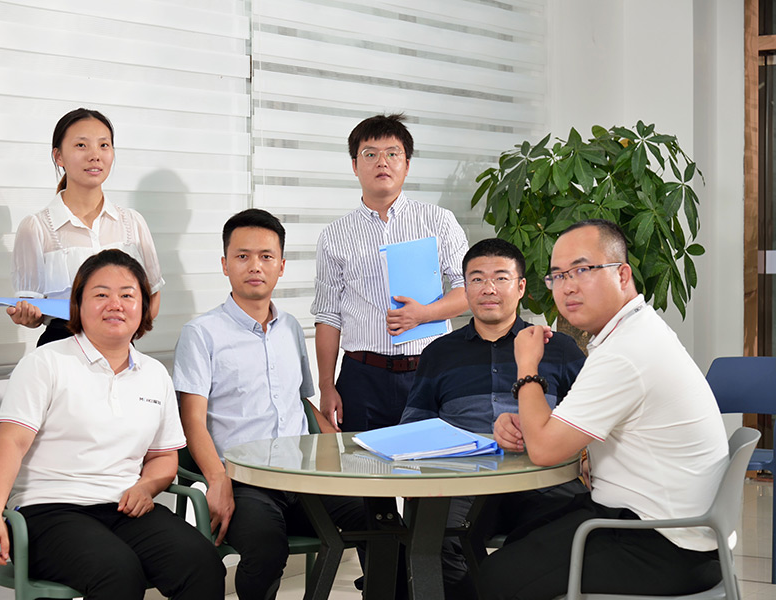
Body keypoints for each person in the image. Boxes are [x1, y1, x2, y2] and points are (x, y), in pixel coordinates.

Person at [480, 219, 729, 599]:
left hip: (665, 545)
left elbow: (544, 450)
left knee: (495, 577)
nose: (568, 286)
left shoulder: (625, 352)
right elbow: (565, 432)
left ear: (622, 274)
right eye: (558, 275)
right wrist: (534, 423)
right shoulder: (634, 331)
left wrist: (527, 365)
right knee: (521, 537)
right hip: (671, 527)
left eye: (582, 270)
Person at [0, 249, 224, 599]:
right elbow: (10, 444)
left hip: (124, 507)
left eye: (127, 295)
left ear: (144, 307)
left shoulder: (155, 374)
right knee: (117, 573)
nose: (115, 305)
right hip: (47, 510)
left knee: (202, 563)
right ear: (78, 305)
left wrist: (146, 486)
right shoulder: (45, 363)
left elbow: (163, 457)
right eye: (101, 294)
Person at [174, 209, 368, 600]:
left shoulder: (291, 327)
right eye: (242, 256)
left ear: (281, 266)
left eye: (266, 256)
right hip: (246, 482)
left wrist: (342, 451)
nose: (255, 266)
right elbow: (192, 421)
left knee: (381, 522)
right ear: (225, 265)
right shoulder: (201, 333)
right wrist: (218, 480)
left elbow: (301, 401)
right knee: (266, 549)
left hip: (302, 476)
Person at [399, 237, 585, 599]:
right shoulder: (439, 353)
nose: (488, 288)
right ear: (465, 288)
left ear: (521, 287)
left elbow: (589, 417)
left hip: (541, 478)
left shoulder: (557, 348)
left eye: (501, 278)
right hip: (463, 483)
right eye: (477, 279)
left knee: (567, 532)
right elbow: (415, 426)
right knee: (434, 540)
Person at [312, 113, 469, 432]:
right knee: (360, 460)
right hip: (361, 377)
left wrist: (424, 314)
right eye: (370, 154)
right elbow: (328, 316)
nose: (382, 162)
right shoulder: (334, 236)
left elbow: (468, 289)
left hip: (429, 372)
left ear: (407, 165)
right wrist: (326, 386)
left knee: (433, 460)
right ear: (354, 166)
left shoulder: (438, 221)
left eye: (392, 153)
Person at [7, 108, 164, 346]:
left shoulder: (132, 222)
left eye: (104, 145)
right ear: (58, 157)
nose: (95, 155)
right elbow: (32, 310)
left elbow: (152, 294)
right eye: (81, 145)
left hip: (119, 349)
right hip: (61, 349)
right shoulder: (36, 227)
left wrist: (123, 337)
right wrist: (27, 316)